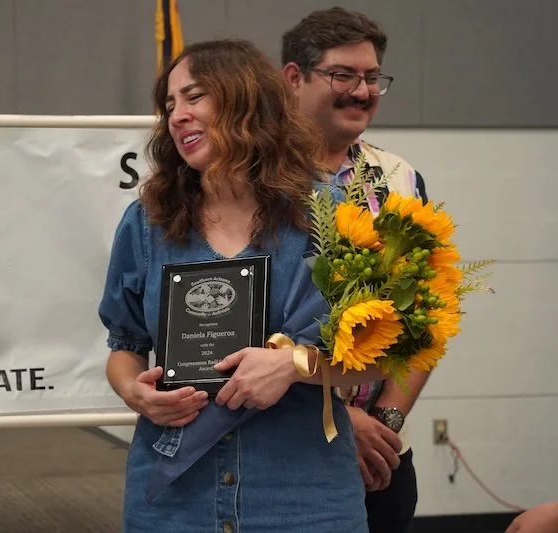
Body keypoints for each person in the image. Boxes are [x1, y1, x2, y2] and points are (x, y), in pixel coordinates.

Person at [99, 38, 389, 532]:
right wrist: (134, 393)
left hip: (301, 495)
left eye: (194, 97)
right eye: (170, 105)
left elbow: (379, 354)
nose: (177, 116)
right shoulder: (147, 222)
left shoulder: (332, 214)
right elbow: (125, 346)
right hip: (173, 493)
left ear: (246, 99)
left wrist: (294, 365)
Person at [282, 7, 430, 533]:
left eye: (372, 78)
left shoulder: (400, 179)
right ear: (294, 78)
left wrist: (386, 422)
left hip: (382, 458)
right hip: (283, 453)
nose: (362, 92)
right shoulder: (254, 179)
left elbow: (426, 320)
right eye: (343, 75)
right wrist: (345, 422)